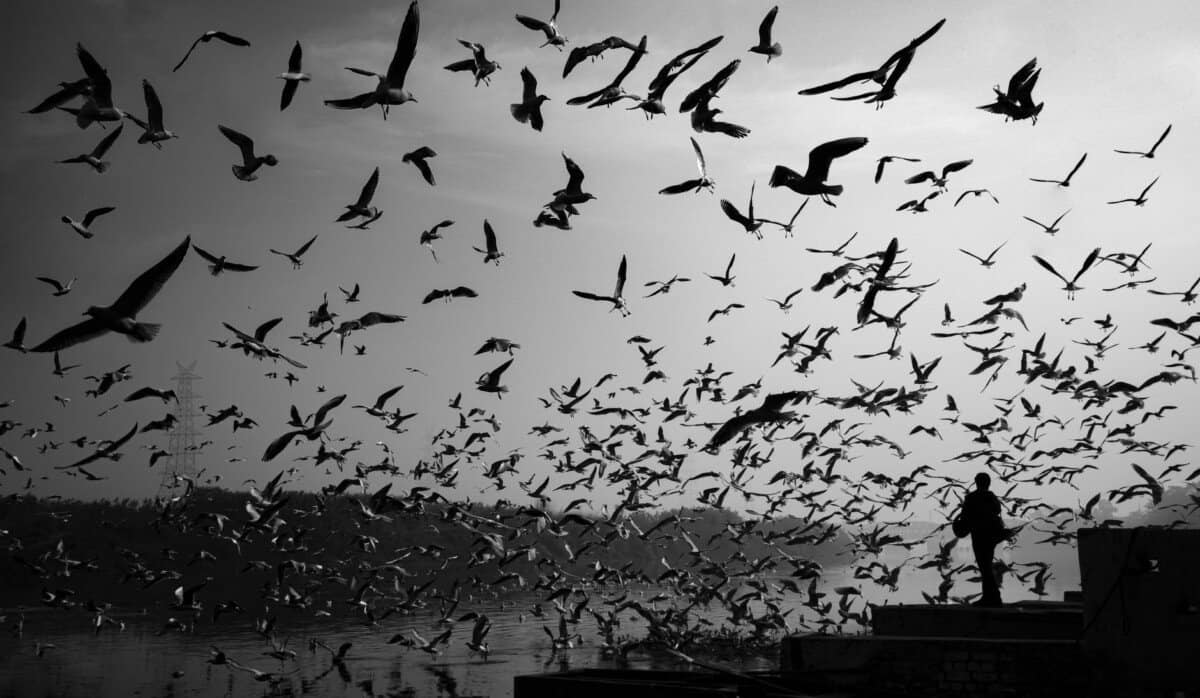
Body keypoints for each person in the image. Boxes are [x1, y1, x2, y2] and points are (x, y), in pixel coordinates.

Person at [957, 472, 1008, 607]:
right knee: (986, 565)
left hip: (979, 536)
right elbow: (997, 510)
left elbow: (965, 516)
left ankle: (992, 598)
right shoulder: (991, 497)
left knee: (984, 567)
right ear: (988, 483)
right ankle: (991, 597)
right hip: (990, 536)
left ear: (976, 482)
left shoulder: (971, 497)